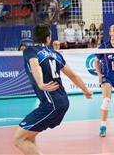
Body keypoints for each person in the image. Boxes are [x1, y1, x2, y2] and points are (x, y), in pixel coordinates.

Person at [13, 24, 92, 155]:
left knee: (18, 139)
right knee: (29, 136)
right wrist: (85, 90)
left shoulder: (30, 51)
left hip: (52, 105)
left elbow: (35, 64)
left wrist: (40, 83)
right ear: (48, 39)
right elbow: (73, 75)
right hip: (62, 101)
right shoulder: (55, 54)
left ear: (33, 38)